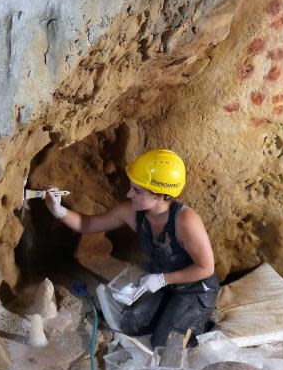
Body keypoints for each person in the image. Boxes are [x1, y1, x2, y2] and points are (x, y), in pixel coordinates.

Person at [44, 149, 219, 347]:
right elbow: (88, 225)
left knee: (164, 344)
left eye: (138, 190)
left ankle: (200, 321)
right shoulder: (132, 211)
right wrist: (58, 210)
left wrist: (163, 279)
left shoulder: (185, 221)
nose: (129, 194)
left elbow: (206, 268)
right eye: (132, 187)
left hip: (195, 288)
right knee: (130, 323)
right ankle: (171, 314)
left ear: (160, 195)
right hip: (165, 285)